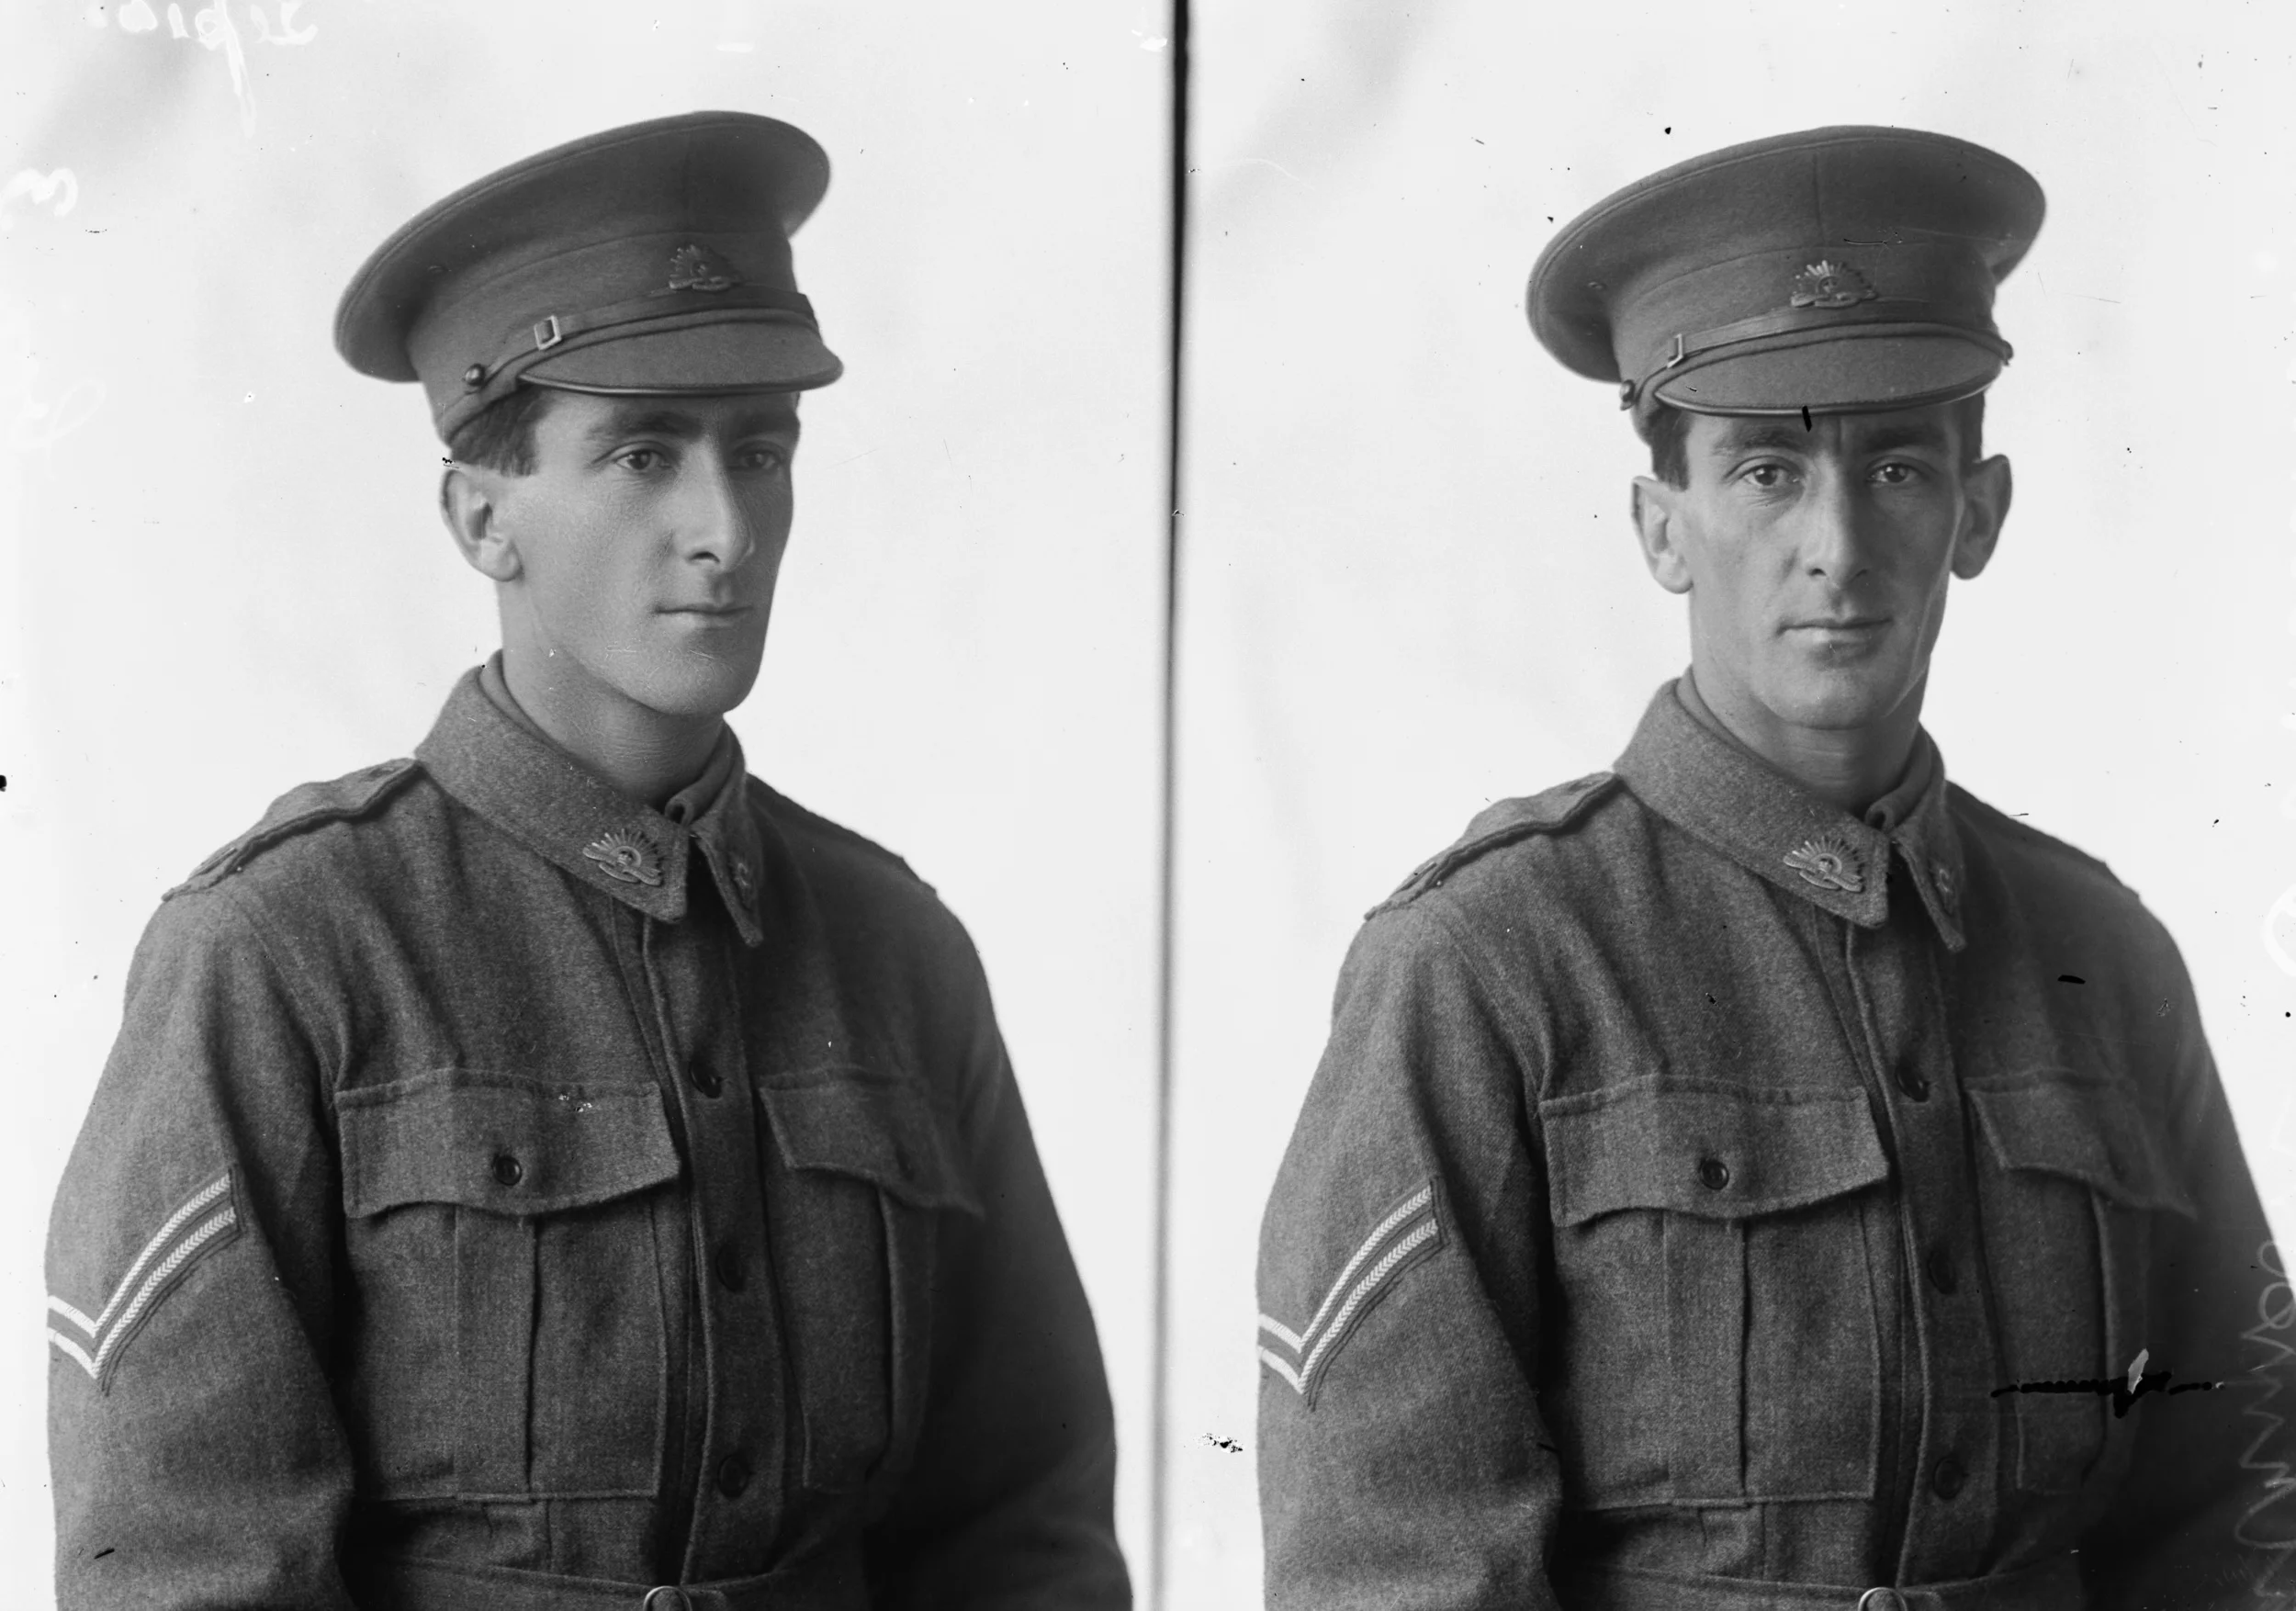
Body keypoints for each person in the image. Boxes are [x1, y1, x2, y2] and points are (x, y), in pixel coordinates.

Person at [46, 110, 1130, 1611]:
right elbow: (187, 1570)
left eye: (761, 450)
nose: (725, 527)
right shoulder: (287, 952)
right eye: (643, 453)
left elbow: (1026, 1529)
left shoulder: (898, 954)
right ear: (481, 516)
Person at [1254, 126, 2290, 1610]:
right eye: (1766, 469)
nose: (1838, 544)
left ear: (1979, 512)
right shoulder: (1488, 964)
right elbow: (1399, 1572)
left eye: (1898, 466)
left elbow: (2243, 1500)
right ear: (1660, 527)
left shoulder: (2103, 957)